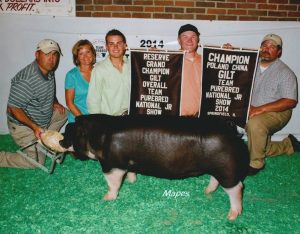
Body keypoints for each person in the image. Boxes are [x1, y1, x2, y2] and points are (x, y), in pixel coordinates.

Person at [0, 39, 67, 168]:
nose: (52, 58)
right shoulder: (26, 79)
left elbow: (48, 90)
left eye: (55, 54)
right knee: (36, 162)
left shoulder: (48, 70)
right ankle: (2, 158)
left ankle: (43, 140)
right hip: (23, 126)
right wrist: (34, 127)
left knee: (63, 113)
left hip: (42, 119)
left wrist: (55, 102)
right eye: (47, 54)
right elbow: (13, 108)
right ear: (37, 55)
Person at [246, 33, 299, 175]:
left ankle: (255, 163)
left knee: (255, 125)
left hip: (277, 112)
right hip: (251, 110)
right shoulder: (250, 65)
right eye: (264, 45)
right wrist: (228, 51)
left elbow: (290, 101)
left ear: (279, 51)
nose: (266, 49)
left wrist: (260, 109)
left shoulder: (286, 73)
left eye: (272, 46)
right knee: (258, 143)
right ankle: (288, 145)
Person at [87, 29, 130, 115]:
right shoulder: (99, 69)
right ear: (106, 47)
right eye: (111, 44)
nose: (115, 47)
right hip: (109, 121)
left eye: (119, 43)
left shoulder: (133, 66)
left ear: (125, 45)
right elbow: (93, 101)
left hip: (131, 119)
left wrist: (151, 55)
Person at [65, 39, 96, 123]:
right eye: (81, 53)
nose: (85, 56)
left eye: (88, 52)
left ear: (93, 54)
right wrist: (84, 121)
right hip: (78, 121)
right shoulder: (72, 75)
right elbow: (69, 103)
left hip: (96, 120)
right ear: (77, 57)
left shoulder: (99, 72)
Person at [177, 24, 202, 117]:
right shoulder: (170, 61)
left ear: (198, 40)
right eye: (185, 37)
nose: (189, 40)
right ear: (179, 40)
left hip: (202, 119)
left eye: (193, 37)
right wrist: (150, 56)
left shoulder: (208, 61)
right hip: (175, 118)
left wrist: (227, 53)